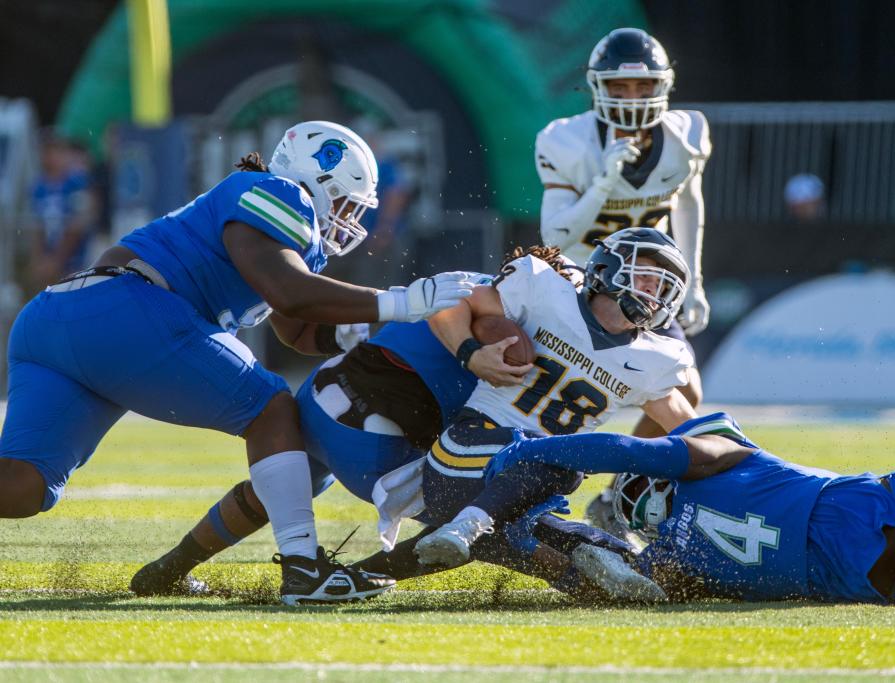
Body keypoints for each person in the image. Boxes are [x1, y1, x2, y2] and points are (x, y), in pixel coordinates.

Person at [0, 120, 475, 605]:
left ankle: (288, 568)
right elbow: (286, 289)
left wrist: (347, 331)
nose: (351, 221)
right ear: (321, 179)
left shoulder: (270, 214)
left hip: (58, 318)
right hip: (125, 309)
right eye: (349, 204)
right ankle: (303, 568)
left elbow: (296, 325)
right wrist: (399, 302)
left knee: (21, 486)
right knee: (271, 407)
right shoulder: (278, 191)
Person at [132, 277, 665, 603]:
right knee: (479, 510)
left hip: (324, 395)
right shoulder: (502, 305)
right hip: (374, 427)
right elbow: (456, 313)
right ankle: (581, 563)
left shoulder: (487, 291)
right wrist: (471, 353)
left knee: (273, 490)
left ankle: (168, 567)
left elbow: (338, 331)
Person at [410, 227, 698, 570]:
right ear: (608, 266)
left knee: (617, 566)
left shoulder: (654, 358)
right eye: (647, 274)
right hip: (464, 456)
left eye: (662, 285)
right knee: (566, 460)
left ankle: (372, 571)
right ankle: (465, 526)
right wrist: (469, 353)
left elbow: (691, 429)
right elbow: (449, 301)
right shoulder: (544, 290)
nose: (654, 289)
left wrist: (751, 467)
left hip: (520, 494)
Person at [489, 411, 895, 604]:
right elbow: (630, 450)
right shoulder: (723, 462)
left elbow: (598, 588)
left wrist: (524, 549)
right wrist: (534, 450)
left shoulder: (670, 561)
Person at [534, 28, 712, 530]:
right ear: (597, 87)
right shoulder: (564, 140)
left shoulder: (687, 135)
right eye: (619, 86)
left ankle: (616, 498)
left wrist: (694, 279)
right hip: (576, 283)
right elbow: (557, 233)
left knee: (687, 390)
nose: (632, 97)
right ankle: (512, 482)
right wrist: (604, 183)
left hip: (644, 286)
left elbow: (688, 199)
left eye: (642, 85)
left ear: (664, 84)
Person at [28, 132, 98, 292]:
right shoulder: (38, 186)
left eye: (55, 151)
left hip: (76, 259)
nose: (50, 157)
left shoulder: (77, 183)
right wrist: (39, 259)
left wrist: (57, 260)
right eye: (46, 152)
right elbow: (36, 225)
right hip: (49, 258)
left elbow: (78, 224)